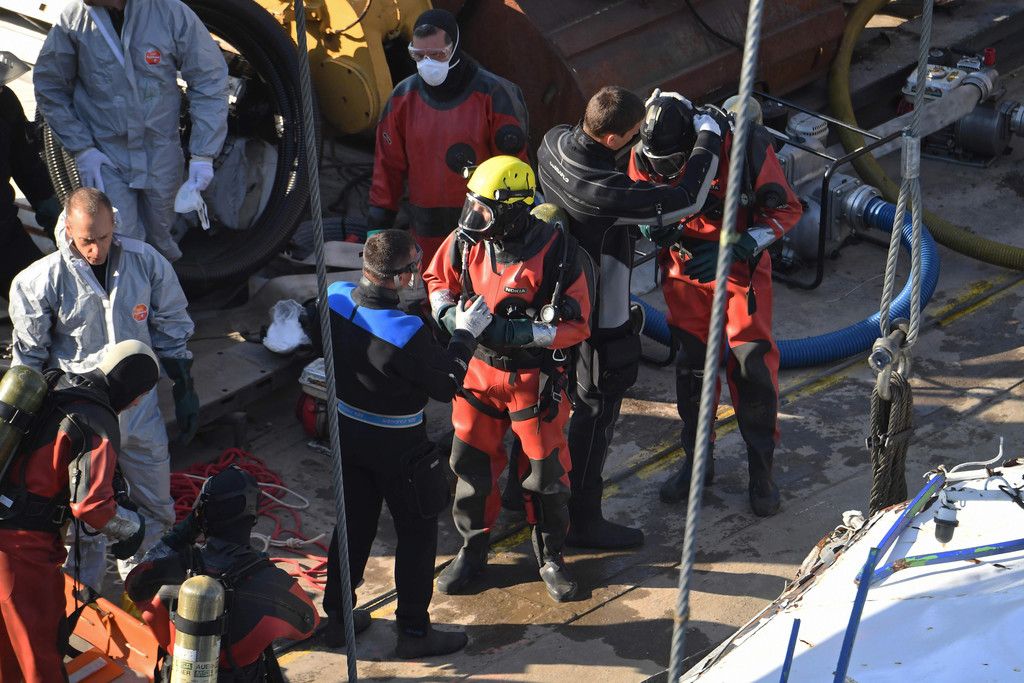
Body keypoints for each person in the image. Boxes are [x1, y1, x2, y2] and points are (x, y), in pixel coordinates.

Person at [536, 86, 723, 548]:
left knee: (546, 406)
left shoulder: (552, 142)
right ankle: (584, 520)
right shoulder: (602, 190)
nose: (640, 141)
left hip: (552, 305)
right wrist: (709, 134)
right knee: (595, 411)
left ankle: (526, 500)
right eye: (635, 134)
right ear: (613, 139)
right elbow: (686, 197)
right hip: (598, 318)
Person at [9, 187, 198, 591]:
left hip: (139, 409)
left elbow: (172, 324)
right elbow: (29, 361)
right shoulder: (38, 282)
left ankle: (147, 586)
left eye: (104, 237)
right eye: (86, 241)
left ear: (115, 224)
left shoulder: (146, 263)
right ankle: (84, 600)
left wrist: (185, 386)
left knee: (156, 503)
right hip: (80, 421)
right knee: (85, 521)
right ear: (68, 230)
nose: (95, 250)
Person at [315, 229, 492, 658]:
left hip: (347, 433)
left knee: (352, 524)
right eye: (415, 266)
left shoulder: (334, 298)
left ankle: (337, 619)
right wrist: (465, 334)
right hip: (398, 445)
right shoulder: (405, 332)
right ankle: (414, 631)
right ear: (400, 277)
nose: (417, 274)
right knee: (416, 532)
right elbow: (446, 382)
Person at [424, 155, 593, 603]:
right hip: (477, 373)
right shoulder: (466, 242)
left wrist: (519, 332)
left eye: (484, 210)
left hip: (532, 379)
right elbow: (437, 280)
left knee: (546, 474)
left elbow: (577, 324)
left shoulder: (559, 255)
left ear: (515, 211)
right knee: (470, 466)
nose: (473, 218)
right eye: (472, 206)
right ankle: (473, 548)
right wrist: (448, 316)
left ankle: (551, 556)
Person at [628, 93, 802, 517]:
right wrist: (650, 227)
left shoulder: (743, 147)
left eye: (674, 164)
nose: (665, 173)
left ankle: (761, 470)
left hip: (741, 273)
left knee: (751, 368)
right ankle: (697, 462)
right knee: (692, 369)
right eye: (658, 165)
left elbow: (786, 211)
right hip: (684, 268)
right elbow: (636, 199)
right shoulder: (644, 155)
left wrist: (736, 247)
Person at [0, 340, 160, 683]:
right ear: (132, 386)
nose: (136, 403)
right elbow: (92, 506)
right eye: (140, 395)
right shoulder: (97, 418)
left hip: (4, 527)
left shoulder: (57, 384)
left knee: (7, 645)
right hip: (23, 550)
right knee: (39, 647)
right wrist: (131, 528)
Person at [34, 0, 229, 261]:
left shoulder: (169, 13)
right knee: (120, 242)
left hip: (160, 155)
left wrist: (203, 154)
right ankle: (127, 287)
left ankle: (160, 283)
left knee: (161, 239)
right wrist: (82, 149)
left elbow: (209, 78)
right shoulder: (74, 19)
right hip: (105, 156)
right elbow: (50, 86)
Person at [368, 8, 529, 269]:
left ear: (454, 49)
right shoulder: (402, 99)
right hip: (426, 233)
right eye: (418, 55)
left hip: (484, 231)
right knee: (432, 289)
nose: (427, 63)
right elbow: (387, 170)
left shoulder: (494, 95)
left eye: (437, 55)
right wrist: (377, 227)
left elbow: (514, 170)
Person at [126, 466, 319, 681]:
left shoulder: (167, 571)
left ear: (201, 516)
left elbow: (134, 583)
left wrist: (183, 533)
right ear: (253, 516)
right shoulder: (272, 586)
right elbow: (309, 623)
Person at [0, 52, 62, 294]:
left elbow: (29, 171)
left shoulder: (5, 103)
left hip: (4, 233)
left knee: (46, 294)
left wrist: (60, 222)